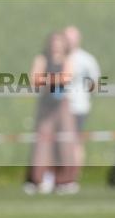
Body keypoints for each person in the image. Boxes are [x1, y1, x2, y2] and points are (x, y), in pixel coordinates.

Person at [23, 31, 77, 195]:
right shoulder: (42, 59)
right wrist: (53, 80)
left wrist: (47, 80)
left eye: (59, 42)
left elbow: (67, 78)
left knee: (65, 142)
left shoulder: (67, 59)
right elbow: (34, 79)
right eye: (54, 42)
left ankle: (65, 180)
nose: (56, 45)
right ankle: (38, 179)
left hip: (62, 104)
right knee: (42, 143)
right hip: (46, 105)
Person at [62, 25, 101, 192]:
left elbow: (95, 83)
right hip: (58, 107)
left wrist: (82, 93)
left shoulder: (86, 59)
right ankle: (57, 177)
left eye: (71, 38)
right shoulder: (59, 57)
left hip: (77, 107)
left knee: (75, 142)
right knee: (58, 142)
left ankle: (73, 178)